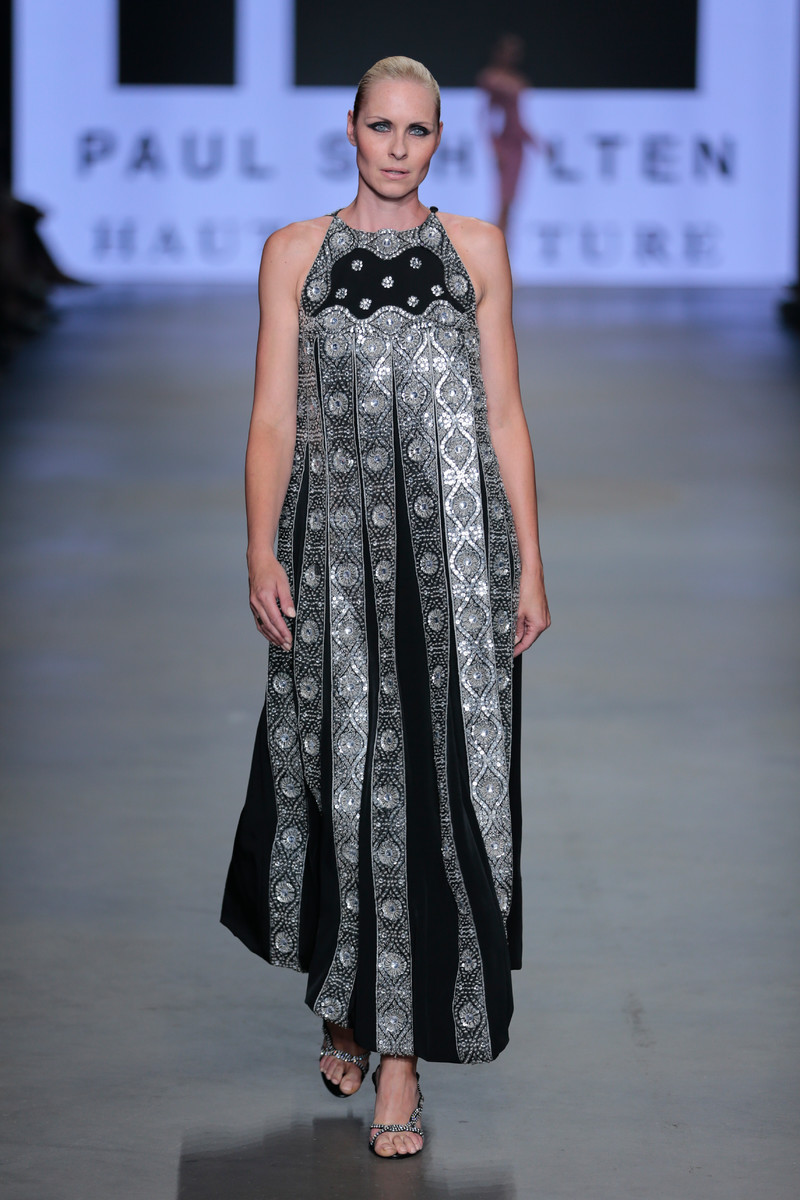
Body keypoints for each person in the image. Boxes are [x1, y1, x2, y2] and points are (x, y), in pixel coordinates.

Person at [221, 55, 550, 1159]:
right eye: (381, 128)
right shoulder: (293, 254)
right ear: (351, 129)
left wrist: (530, 567)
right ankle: (345, 995)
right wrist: (258, 549)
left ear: (438, 139)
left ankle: (399, 1061)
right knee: (335, 781)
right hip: (329, 561)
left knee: (434, 794)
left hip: (458, 565)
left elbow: (505, 417)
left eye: (418, 131)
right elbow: (273, 417)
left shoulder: (478, 252)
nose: (398, 148)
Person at [477, 34, 538, 234]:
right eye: (508, 51)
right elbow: (488, 116)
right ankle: (495, 244)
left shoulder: (518, 81)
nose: (511, 56)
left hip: (517, 146)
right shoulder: (491, 79)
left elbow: (518, 120)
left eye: (515, 52)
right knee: (503, 199)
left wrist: (535, 142)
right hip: (503, 145)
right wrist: (495, 147)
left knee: (511, 201)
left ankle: (505, 244)